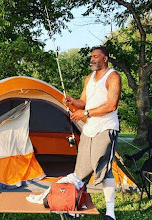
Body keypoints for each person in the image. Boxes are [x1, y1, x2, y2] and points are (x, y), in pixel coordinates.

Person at [63, 46, 121, 220]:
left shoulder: (113, 76)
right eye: (91, 57)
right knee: (81, 171)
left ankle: (110, 213)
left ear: (105, 58)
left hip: (106, 128)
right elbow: (83, 103)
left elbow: (112, 105)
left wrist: (85, 113)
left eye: (96, 56)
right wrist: (73, 101)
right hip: (89, 129)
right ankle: (76, 207)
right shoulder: (89, 79)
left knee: (104, 167)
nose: (92, 59)